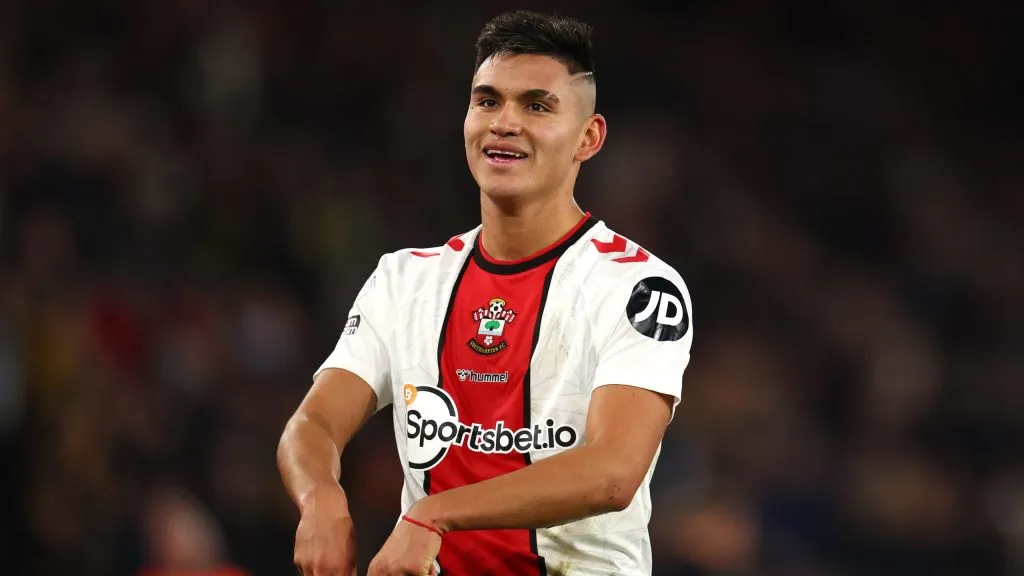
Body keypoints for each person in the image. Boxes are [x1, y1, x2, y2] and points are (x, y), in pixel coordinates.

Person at [278, 10, 694, 576]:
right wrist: (319, 498)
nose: (505, 123)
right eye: (488, 101)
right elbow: (313, 424)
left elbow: (612, 472)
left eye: (537, 106)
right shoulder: (405, 281)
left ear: (588, 138)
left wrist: (433, 515)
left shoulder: (637, 287)